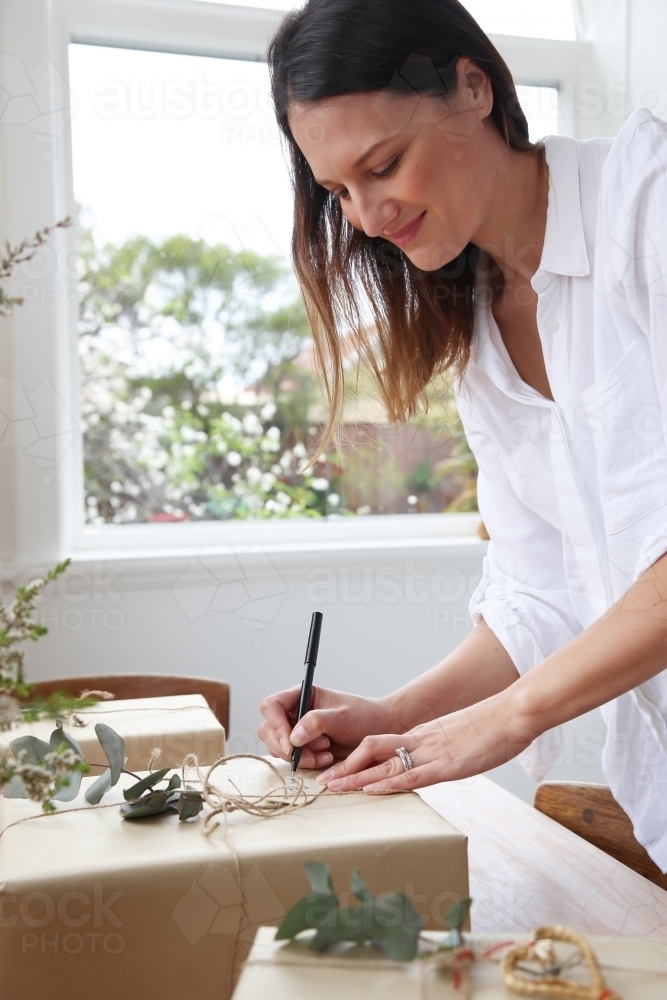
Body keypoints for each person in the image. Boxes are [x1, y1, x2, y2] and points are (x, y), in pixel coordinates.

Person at [257, 0, 667, 871]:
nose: (366, 217)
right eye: (339, 191)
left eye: (384, 163)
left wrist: (502, 722)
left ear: (471, 87)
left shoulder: (647, 207)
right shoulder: (478, 333)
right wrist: (396, 714)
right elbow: (542, 591)